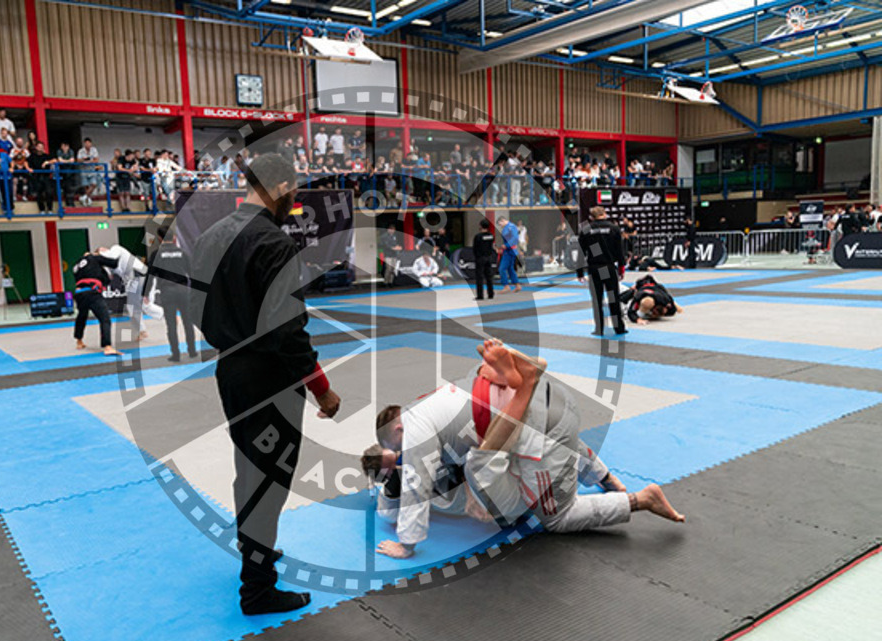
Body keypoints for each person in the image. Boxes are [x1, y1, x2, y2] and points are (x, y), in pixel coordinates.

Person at [367, 340, 684, 559]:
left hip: (542, 422)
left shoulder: (416, 429)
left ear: (398, 429)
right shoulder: (432, 403)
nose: (404, 454)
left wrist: (406, 544)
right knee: (508, 445)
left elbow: (415, 483)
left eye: (399, 448)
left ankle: (640, 500)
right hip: (552, 402)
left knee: (557, 517)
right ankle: (604, 477)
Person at [192, 153, 341, 615]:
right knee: (270, 481)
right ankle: (257, 588)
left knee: (249, 471)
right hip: (268, 378)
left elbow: (198, 308)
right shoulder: (272, 242)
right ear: (280, 187)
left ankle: (256, 561)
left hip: (231, 372)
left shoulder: (212, 236)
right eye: (294, 193)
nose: (295, 202)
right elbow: (287, 331)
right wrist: (322, 389)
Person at [145, 231, 195, 361]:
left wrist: (145, 293)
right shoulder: (182, 252)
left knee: (171, 324)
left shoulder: (157, 254)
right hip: (183, 290)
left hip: (167, 291)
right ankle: (192, 351)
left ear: (160, 238)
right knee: (188, 322)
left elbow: (150, 275)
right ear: (174, 238)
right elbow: (192, 272)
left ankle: (176, 354)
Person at [577, 206, 627, 336]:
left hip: (594, 268)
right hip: (608, 267)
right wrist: (621, 268)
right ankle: (619, 328)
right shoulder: (614, 228)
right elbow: (620, 251)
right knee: (613, 298)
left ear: (591, 217)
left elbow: (581, 252)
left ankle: (599, 329)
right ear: (604, 214)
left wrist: (579, 272)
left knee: (597, 300)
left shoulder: (586, 229)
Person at [71, 250, 122, 356]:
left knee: (82, 316)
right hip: (92, 292)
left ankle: (79, 341)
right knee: (105, 319)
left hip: (79, 294)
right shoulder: (93, 258)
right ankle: (107, 346)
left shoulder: (76, 266)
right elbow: (113, 263)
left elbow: (99, 277)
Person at [97, 243, 149, 342]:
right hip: (135, 277)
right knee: (142, 305)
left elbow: (112, 258)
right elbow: (109, 275)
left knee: (133, 306)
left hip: (136, 275)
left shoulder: (115, 248)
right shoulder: (109, 264)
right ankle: (163, 316)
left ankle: (142, 330)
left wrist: (99, 258)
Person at [497, 217, 522, 293]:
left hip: (510, 250)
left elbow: (515, 238)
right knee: (510, 269)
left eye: (500, 224)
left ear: (503, 221)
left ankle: (506, 286)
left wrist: (506, 245)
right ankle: (517, 285)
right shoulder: (507, 228)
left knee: (502, 269)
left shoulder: (511, 227)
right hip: (508, 250)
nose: (500, 226)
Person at [473, 219, 495, 300]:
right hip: (488, 257)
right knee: (489, 276)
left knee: (479, 277)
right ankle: (491, 293)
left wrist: (477, 257)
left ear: (481, 226)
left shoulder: (478, 237)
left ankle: (480, 295)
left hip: (480, 258)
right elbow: (491, 247)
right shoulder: (491, 236)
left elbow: (475, 248)